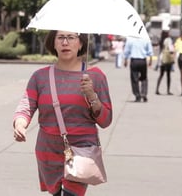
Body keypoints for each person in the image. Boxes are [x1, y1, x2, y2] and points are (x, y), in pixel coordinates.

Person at [13, 30, 113, 196]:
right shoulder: (40, 77)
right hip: (48, 152)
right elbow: (27, 105)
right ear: (53, 42)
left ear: (80, 43)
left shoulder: (95, 77)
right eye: (60, 38)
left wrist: (92, 96)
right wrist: (20, 124)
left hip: (82, 151)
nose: (65, 42)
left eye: (71, 37)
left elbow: (106, 120)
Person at [123, 36, 153, 102]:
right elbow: (150, 51)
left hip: (134, 61)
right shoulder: (146, 38)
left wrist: (125, 60)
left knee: (134, 79)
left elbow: (126, 50)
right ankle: (143, 93)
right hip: (142, 61)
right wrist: (150, 60)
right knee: (144, 78)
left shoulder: (130, 39)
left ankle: (137, 95)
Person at [155, 26, 174, 95]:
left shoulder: (161, 40)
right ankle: (168, 90)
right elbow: (171, 49)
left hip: (162, 58)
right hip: (167, 58)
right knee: (168, 75)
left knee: (161, 74)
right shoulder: (169, 40)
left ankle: (157, 89)